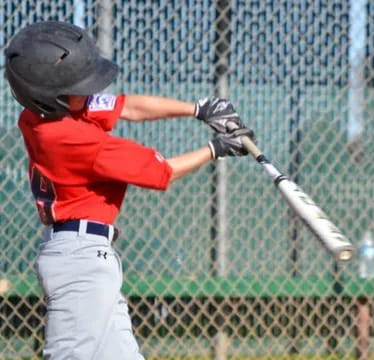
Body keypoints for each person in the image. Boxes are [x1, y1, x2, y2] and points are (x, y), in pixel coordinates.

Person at [4, 21, 254, 360]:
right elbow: (162, 171)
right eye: (79, 87)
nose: (89, 91)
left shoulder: (38, 116)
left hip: (85, 254)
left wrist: (199, 108)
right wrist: (216, 149)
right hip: (80, 262)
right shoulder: (77, 141)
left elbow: (127, 106)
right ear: (50, 96)